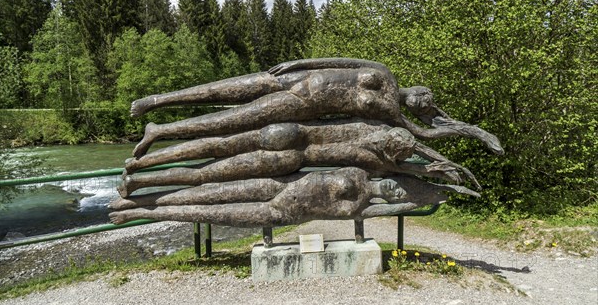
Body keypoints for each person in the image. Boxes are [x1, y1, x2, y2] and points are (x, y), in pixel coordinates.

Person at [129, 58, 504, 158]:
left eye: (428, 103)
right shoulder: (385, 75)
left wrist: (475, 132)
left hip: (300, 106)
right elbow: (344, 60)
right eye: (425, 94)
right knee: (221, 89)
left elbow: (426, 133)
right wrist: (300, 63)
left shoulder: (394, 116)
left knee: (231, 121)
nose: (424, 100)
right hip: (297, 79)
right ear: (418, 88)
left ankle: (159, 132)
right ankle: (157, 102)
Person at [117, 125, 480, 198]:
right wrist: (442, 170)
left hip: (288, 134)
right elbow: (417, 167)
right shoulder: (383, 161)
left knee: (215, 147)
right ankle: (138, 180)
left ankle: (139, 168)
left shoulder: (371, 128)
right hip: (292, 157)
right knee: (208, 175)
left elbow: (417, 148)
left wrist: (439, 163)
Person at [109, 167, 479, 227]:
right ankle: (135, 197)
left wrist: (423, 199)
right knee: (206, 192)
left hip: (280, 211)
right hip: (278, 185)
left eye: (398, 194)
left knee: (209, 213)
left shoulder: (363, 208)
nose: (394, 189)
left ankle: (136, 214)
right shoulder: (360, 172)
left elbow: (339, 213)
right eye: (399, 184)